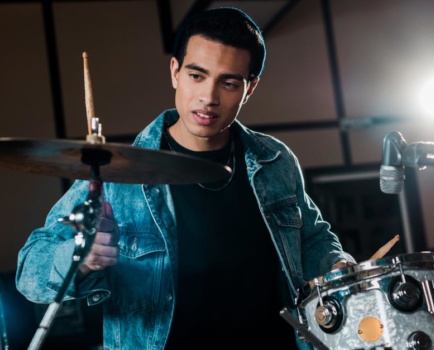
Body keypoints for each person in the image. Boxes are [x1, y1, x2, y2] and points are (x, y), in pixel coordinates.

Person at [16, 7, 355, 349]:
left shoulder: (274, 160)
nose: (209, 98)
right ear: (175, 72)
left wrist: (339, 265)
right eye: (197, 75)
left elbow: (311, 239)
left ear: (249, 88)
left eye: (229, 82)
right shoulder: (118, 174)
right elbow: (29, 271)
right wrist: (81, 256)